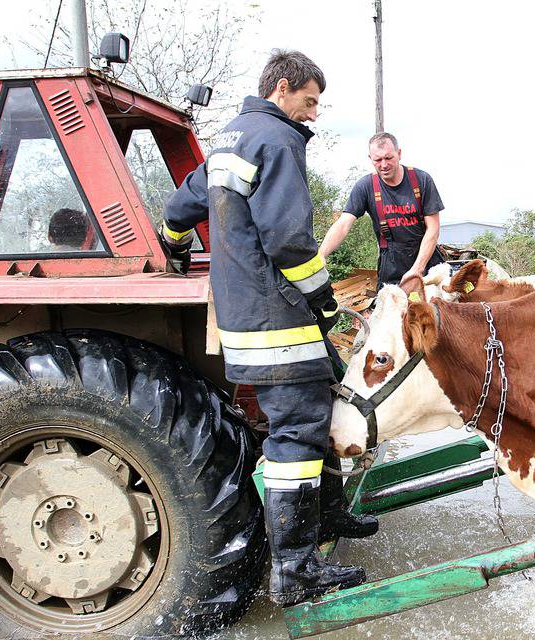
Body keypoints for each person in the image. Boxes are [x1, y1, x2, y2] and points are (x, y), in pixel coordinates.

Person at [160, 49, 377, 607]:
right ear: (283, 87)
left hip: (245, 313)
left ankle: (328, 513)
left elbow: (178, 211)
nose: (313, 115)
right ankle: (296, 571)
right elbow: (288, 241)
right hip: (275, 315)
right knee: (298, 430)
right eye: (309, 102)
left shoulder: (231, 137)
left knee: (329, 390)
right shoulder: (277, 140)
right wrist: (326, 301)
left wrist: (177, 252)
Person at [319, 132, 445, 288]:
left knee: (439, 308)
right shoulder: (365, 186)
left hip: (427, 261)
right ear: (370, 158)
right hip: (391, 265)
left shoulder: (421, 180)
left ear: (399, 154)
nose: (383, 165)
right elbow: (343, 224)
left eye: (388, 158)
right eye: (378, 160)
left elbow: (433, 229)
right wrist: (321, 255)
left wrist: (417, 270)